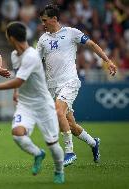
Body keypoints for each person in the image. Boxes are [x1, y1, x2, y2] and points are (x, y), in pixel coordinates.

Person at [0, 22, 64, 184]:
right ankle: (38, 153)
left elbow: (18, 81)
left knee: (52, 145)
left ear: (11, 38)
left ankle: (59, 171)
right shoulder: (14, 55)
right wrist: (17, 92)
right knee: (18, 133)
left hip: (43, 105)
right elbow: (20, 77)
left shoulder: (31, 56)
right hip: (26, 104)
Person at [37, 4, 117, 166]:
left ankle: (69, 152)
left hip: (70, 82)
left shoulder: (71, 33)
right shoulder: (43, 39)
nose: (43, 24)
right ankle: (94, 143)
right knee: (70, 125)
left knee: (58, 111)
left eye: (45, 20)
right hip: (53, 86)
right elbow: (35, 62)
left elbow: (92, 45)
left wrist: (107, 61)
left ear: (54, 19)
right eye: (41, 21)